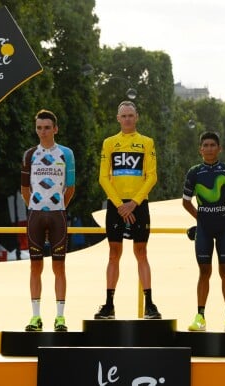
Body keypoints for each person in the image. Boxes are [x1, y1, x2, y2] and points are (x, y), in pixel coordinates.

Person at [94, 101, 161, 320]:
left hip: (138, 205)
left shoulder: (147, 143)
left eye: (131, 115)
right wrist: (119, 204)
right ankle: (109, 305)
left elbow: (152, 176)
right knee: (114, 253)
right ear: (118, 118)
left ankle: (150, 304)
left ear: (137, 117)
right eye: (123, 116)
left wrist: (133, 203)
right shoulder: (109, 143)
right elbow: (103, 177)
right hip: (116, 205)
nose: (127, 119)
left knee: (141, 253)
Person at [20, 109, 75, 332]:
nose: (42, 132)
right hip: (35, 213)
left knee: (59, 266)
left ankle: (60, 318)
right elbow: (25, 188)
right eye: (39, 128)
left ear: (55, 129)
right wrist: (34, 206)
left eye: (47, 128)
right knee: (35, 267)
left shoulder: (66, 154)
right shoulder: (29, 155)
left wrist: (59, 207)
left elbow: (70, 187)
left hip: (58, 214)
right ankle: (36, 317)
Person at [182, 131, 225, 332]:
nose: (208, 148)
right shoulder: (194, 172)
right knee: (204, 272)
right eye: (205, 145)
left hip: (223, 228)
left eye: (212, 145)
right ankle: (200, 317)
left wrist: (224, 216)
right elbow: (186, 202)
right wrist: (200, 218)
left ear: (219, 148)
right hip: (204, 229)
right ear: (200, 150)